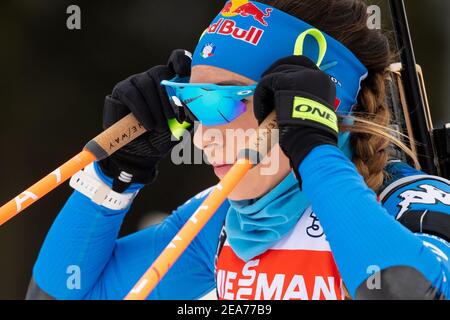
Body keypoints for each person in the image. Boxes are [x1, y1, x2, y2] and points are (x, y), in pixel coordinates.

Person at [27, 0, 449, 300]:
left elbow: (405, 289)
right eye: (192, 102)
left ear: (313, 104)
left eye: (224, 101)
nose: (203, 135)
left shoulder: (413, 200)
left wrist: (315, 153)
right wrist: (116, 173)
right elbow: (62, 294)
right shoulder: (228, 221)